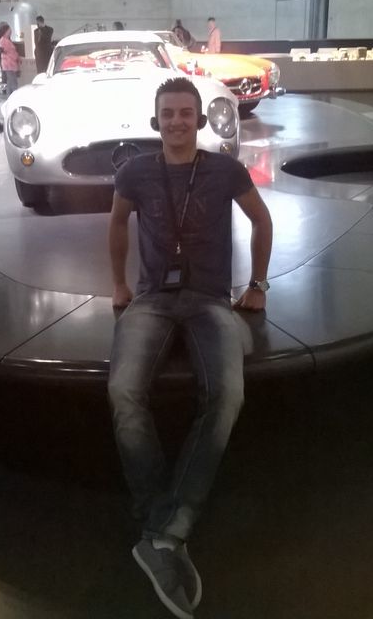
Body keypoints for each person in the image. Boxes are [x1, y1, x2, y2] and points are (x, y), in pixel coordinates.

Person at [108, 76, 273, 619]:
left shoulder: (224, 169)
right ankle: (167, 524)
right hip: (152, 299)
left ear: (199, 120)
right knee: (124, 391)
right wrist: (119, 284)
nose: (177, 121)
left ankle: (162, 529)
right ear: (156, 120)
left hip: (209, 301)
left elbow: (261, 218)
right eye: (168, 113)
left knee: (227, 393)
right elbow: (117, 223)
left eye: (185, 113)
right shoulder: (135, 171)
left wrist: (258, 283)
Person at [0, 23, 21, 95]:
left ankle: (9, 95)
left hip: (11, 63)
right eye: (9, 30)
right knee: (13, 81)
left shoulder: (7, 40)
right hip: (8, 64)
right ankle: (15, 95)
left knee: (10, 82)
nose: (10, 32)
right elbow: (6, 51)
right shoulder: (3, 40)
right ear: (5, 31)